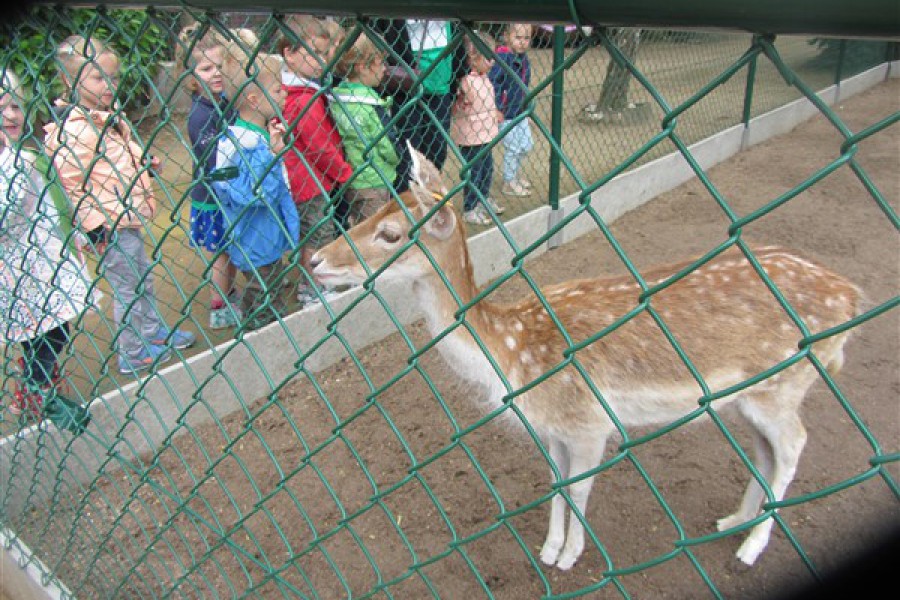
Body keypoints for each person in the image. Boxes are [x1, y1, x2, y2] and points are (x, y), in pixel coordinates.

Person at [43, 35, 196, 375]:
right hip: (107, 223)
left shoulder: (104, 117)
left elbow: (121, 153)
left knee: (143, 277)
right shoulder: (73, 131)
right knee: (128, 286)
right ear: (71, 82)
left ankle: (152, 331)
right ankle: (132, 350)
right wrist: (93, 226)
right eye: (98, 77)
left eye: (112, 77)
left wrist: (144, 162)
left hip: (126, 214)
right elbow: (70, 184)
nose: (110, 84)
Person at [1, 70, 93, 432]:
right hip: (15, 267)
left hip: (42, 259)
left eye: (14, 105)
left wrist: (73, 234)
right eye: (1, 108)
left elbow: (54, 200)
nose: (10, 115)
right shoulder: (14, 163)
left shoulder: (22, 156)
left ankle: (37, 383)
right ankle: (37, 386)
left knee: (52, 327)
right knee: (43, 331)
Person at [211, 46, 299, 330]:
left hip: (263, 235)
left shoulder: (255, 136)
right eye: (277, 90)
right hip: (257, 238)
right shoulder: (246, 146)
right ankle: (258, 327)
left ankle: (264, 321)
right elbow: (258, 195)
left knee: (268, 282)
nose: (284, 95)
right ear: (253, 99)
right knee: (264, 286)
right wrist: (272, 156)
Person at [176, 25, 253, 331]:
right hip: (213, 198)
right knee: (220, 254)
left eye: (221, 66)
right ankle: (219, 304)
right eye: (206, 68)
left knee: (230, 249)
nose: (216, 74)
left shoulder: (225, 103)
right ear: (190, 78)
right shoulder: (201, 115)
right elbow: (214, 162)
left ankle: (231, 293)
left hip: (229, 192)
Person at [277, 15, 353, 307]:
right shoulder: (304, 99)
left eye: (324, 53)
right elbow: (320, 146)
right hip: (311, 182)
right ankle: (312, 289)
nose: (322, 61)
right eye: (314, 53)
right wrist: (344, 172)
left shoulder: (288, 91)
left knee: (307, 234)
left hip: (299, 179)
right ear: (290, 54)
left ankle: (308, 283)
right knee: (317, 236)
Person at [369, 18, 467, 191]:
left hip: (441, 88)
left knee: (437, 150)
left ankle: (428, 196)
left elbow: (458, 39)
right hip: (407, 88)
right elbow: (379, 26)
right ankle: (405, 200)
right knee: (408, 152)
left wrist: (462, 74)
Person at [329, 33, 401, 226]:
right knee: (375, 229)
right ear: (362, 66)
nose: (385, 69)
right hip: (375, 179)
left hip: (352, 178)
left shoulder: (336, 98)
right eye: (381, 63)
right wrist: (399, 157)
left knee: (360, 227)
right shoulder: (372, 105)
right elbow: (387, 145)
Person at [450, 31, 504, 226]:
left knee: (487, 168)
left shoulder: (485, 78)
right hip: (471, 136)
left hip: (486, 134)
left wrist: (495, 112)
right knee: (475, 171)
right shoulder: (466, 81)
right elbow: (456, 107)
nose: (493, 62)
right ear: (473, 57)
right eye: (488, 57)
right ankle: (470, 207)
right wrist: (460, 103)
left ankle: (484, 197)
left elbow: (487, 102)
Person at [489, 23, 534, 198]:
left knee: (527, 145)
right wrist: (497, 108)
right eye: (518, 37)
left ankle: (514, 174)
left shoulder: (523, 58)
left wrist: (525, 109)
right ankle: (509, 182)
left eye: (526, 38)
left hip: (519, 111)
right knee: (514, 147)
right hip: (506, 113)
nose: (522, 42)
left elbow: (524, 87)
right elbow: (495, 85)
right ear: (507, 36)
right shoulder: (502, 58)